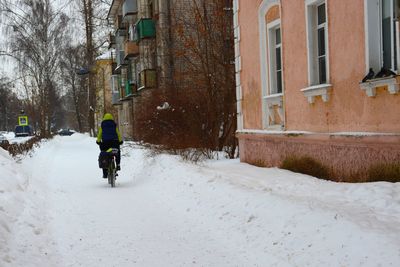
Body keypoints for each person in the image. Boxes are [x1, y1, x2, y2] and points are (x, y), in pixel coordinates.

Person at [96, 113, 123, 178]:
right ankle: (118, 164)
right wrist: (120, 140)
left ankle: (105, 173)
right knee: (117, 151)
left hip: (105, 143)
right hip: (114, 142)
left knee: (104, 154)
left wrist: (98, 141)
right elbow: (118, 133)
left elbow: (100, 134)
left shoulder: (103, 125)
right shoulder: (114, 124)